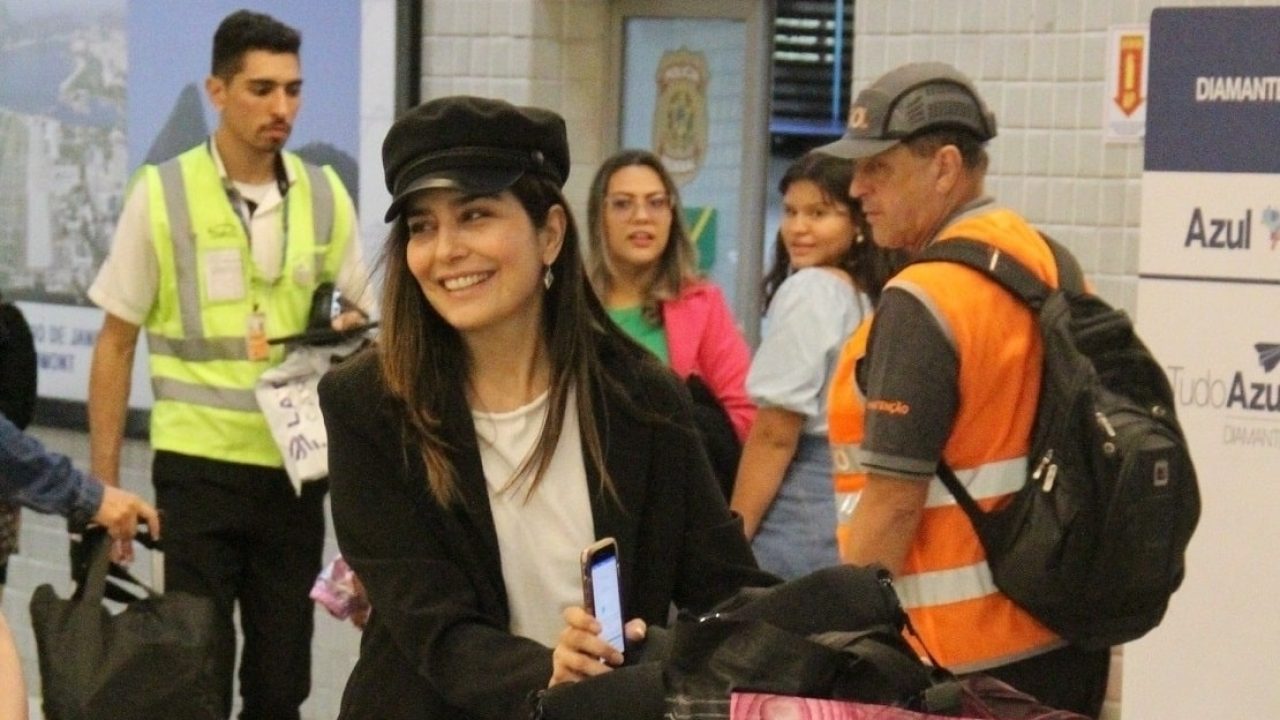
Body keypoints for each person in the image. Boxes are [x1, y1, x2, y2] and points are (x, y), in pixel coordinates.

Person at [320, 96, 775, 720]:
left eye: (475, 214)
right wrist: (550, 673)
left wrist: (838, 630)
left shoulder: (644, 400)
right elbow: (431, 623)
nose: (445, 249)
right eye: (423, 226)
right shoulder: (368, 404)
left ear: (551, 233)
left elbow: (723, 586)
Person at [86, 10, 370, 719]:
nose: (283, 108)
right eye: (262, 89)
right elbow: (115, 343)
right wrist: (102, 491)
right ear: (217, 89)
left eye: (294, 90)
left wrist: (344, 329)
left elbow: (367, 343)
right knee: (194, 677)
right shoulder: (164, 193)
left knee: (281, 685)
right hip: (196, 471)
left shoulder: (327, 196)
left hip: (295, 476)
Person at [819, 62, 1110, 717]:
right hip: (1062, 638)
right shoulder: (1048, 263)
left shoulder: (925, 298)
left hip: (959, 666)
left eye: (879, 168)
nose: (857, 187)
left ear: (945, 166)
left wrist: (834, 644)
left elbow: (892, 508)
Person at [729, 153, 904, 580]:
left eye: (819, 213)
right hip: (848, 509)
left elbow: (774, 434)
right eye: (790, 212)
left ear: (857, 223)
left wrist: (731, 542)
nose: (798, 228)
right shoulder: (871, 296)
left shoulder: (811, 290)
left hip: (798, 513)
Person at [585, 150, 756, 443]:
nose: (642, 217)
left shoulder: (702, 304)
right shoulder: (570, 303)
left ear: (671, 214)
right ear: (600, 216)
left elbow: (745, 414)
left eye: (656, 203)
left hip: (675, 477)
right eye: (623, 204)